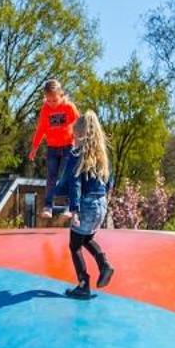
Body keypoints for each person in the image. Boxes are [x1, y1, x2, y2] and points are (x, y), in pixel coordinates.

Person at [61, 110, 116, 299]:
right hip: (101, 203)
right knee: (85, 239)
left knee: (74, 244)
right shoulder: (102, 154)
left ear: (81, 133)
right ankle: (104, 264)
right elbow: (110, 179)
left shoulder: (78, 154)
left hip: (86, 204)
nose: (74, 139)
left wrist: (74, 210)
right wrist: (105, 200)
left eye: (75, 135)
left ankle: (83, 284)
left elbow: (75, 183)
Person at [31, 79, 80, 224]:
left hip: (68, 146)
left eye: (54, 100)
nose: (52, 103)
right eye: (49, 100)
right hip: (52, 147)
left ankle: (68, 207)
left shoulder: (69, 107)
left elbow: (80, 124)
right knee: (51, 177)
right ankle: (48, 206)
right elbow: (41, 129)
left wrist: (81, 143)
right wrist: (34, 147)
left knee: (66, 176)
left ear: (61, 95)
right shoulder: (45, 109)